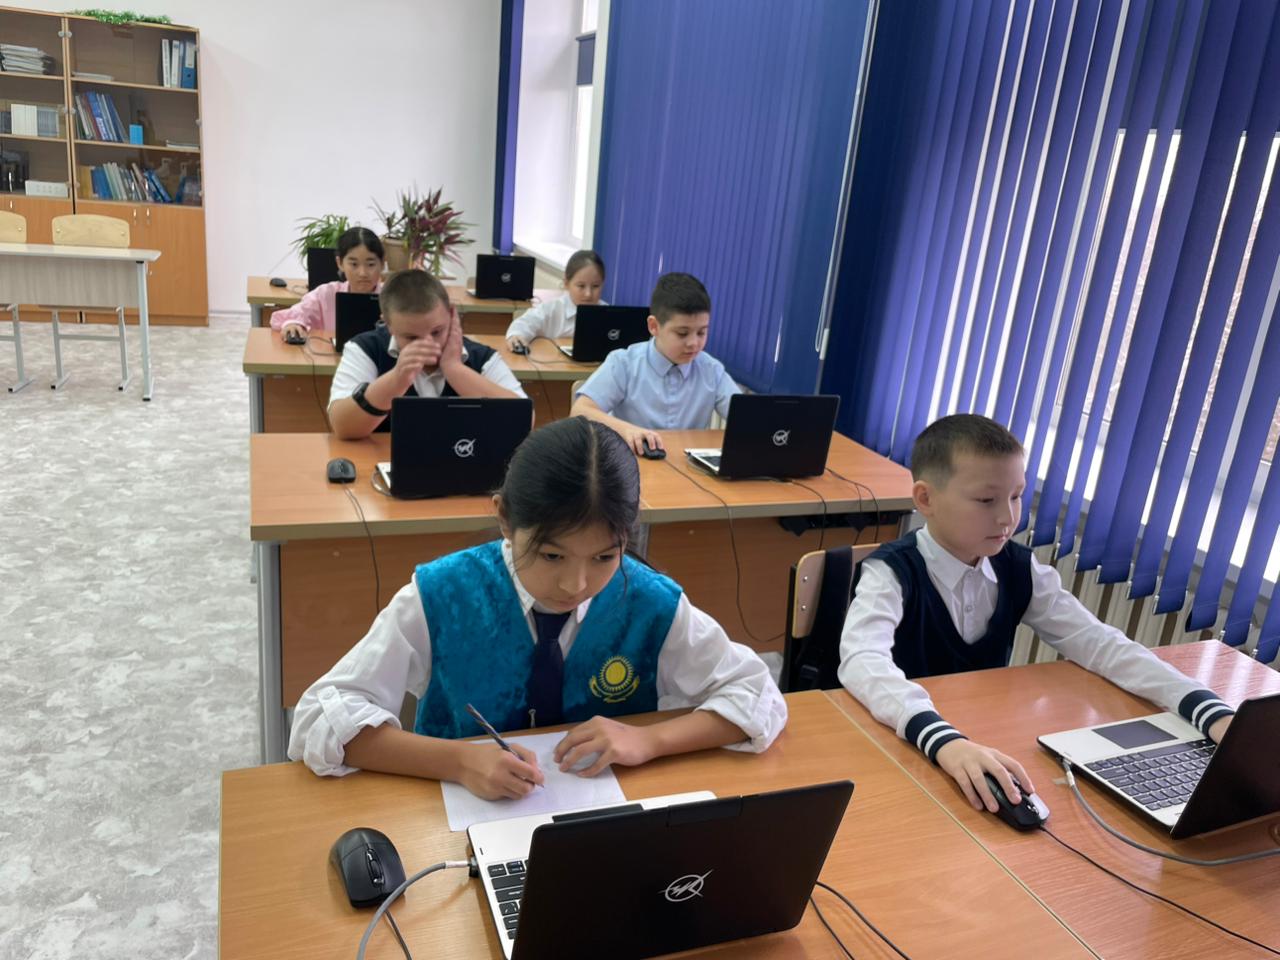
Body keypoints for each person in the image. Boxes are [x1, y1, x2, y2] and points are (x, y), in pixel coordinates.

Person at [289, 416, 788, 799]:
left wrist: (649, 741)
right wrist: (458, 762)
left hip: (602, 824)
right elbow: (319, 718)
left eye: (605, 557)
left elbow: (757, 694)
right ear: (505, 518)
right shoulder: (443, 593)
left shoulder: (649, 601)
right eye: (552, 556)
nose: (576, 584)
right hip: (456, 822)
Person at [839, 413, 1235, 815]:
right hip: (898, 746)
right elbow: (861, 659)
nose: (1007, 517)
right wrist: (943, 739)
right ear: (926, 499)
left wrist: (1204, 707)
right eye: (986, 500)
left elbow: (1099, 643)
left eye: (1016, 496)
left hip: (982, 738)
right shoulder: (890, 573)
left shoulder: (1018, 567)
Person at [327, 269, 526, 439]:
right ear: (388, 325)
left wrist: (455, 370)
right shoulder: (365, 348)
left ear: (451, 314)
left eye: (437, 332)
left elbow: (523, 421)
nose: (428, 344)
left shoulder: (481, 357)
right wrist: (396, 380)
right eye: (412, 337)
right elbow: (343, 427)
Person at [571, 272, 739, 456]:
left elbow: (747, 419)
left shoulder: (711, 370)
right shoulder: (624, 363)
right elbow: (580, 411)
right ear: (654, 326)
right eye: (682, 333)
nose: (694, 343)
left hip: (686, 466)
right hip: (632, 462)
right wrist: (626, 430)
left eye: (701, 333)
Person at [271, 227, 384, 339]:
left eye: (371, 264)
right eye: (354, 264)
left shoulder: (391, 296)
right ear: (340, 263)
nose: (362, 273)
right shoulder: (326, 294)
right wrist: (293, 324)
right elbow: (287, 316)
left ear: (382, 263)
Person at [505, 249, 606, 351]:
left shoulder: (608, 314)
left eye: (595, 286)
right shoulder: (551, 309)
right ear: (566, 283)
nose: (588, 294)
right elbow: (524, 323)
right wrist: (516, 335)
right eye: (581, 286)